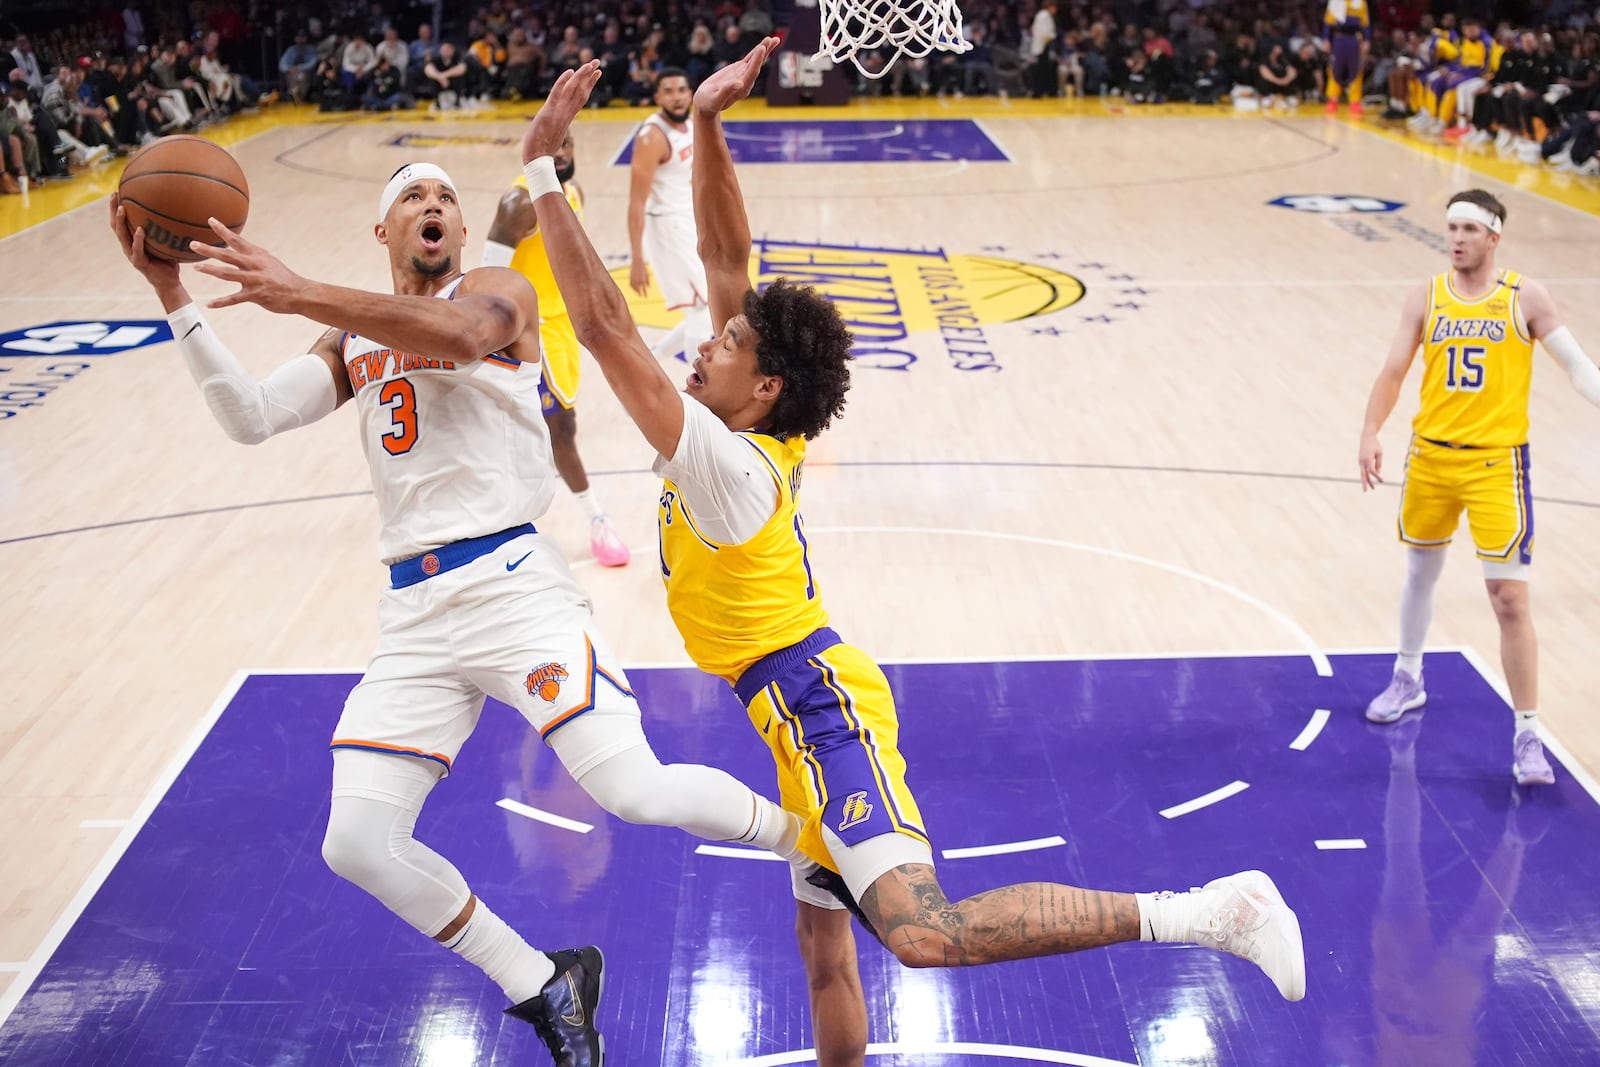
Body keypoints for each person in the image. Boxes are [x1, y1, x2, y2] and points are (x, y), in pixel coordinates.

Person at [521, 53, 1307, 1067]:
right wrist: (711, 124)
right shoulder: (762, 421)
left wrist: (545, 174)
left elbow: (600, 322)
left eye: (728, 341)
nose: (707, 339)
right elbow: (726, 251)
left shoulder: (724, 462)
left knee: (923, 930)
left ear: (760, 388)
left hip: (816, 702)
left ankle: (1208, 910)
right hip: (786, 706)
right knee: (824, 957)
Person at [109, 158, 816, 1066]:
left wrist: (300, 292)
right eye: (412, 197)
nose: (433, 204)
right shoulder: (350, 337)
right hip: (414, 613)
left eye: (444, 194)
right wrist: (175, 295)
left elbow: (464, 337)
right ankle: (542, 980)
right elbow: (250, 417)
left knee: (633, 790)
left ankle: (812, 841)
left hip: (515, 588)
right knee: (356, 842)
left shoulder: (498, 291)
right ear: (385, 233)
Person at [1358, 189, 1600, 786]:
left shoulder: (1525, 296)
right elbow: (1393, 371)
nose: (1457, 238)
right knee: (1421, 571)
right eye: (1451, 228)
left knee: (1509, 599)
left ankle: (1527, 733)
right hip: (1431, 460)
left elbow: (1577, 367)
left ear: (1494, 236)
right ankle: (1408, 675)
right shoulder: (1427, 296)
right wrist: (1370, 431)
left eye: (1469, 228)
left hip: (1497, 466)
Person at [483, 129, 632, 567]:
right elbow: (487, 274)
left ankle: (517, 499)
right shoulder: (518, 203)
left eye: (567, 144)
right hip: (528, 328)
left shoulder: (572, 191)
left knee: (550, 424)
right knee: (559, 427)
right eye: (552, 146)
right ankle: (597, 520)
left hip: (565, 324)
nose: (561, 153)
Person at [628, 67, 712, 361]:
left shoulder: (690, 124)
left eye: (681, 90)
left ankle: (649, 362)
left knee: (702, 312)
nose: (676, 98)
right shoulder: (652, 137)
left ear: (690, 93)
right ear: (657, 97)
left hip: (686, 220)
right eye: (668, 91)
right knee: (702, 310)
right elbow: (636, 202)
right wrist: (637, 259)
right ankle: (699, 394)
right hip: (665, 229)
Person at [1323, 0, 1371, 115]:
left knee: (1356, 69)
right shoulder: (1335, 1)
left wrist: (1367, 40)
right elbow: (1327, 22)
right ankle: (1333, 100)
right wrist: (1325, 38)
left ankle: (1355, 101)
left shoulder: (1361, 2)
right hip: (1338, 39)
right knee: (1335, 68)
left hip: (1354, 39)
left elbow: (1366, 24)